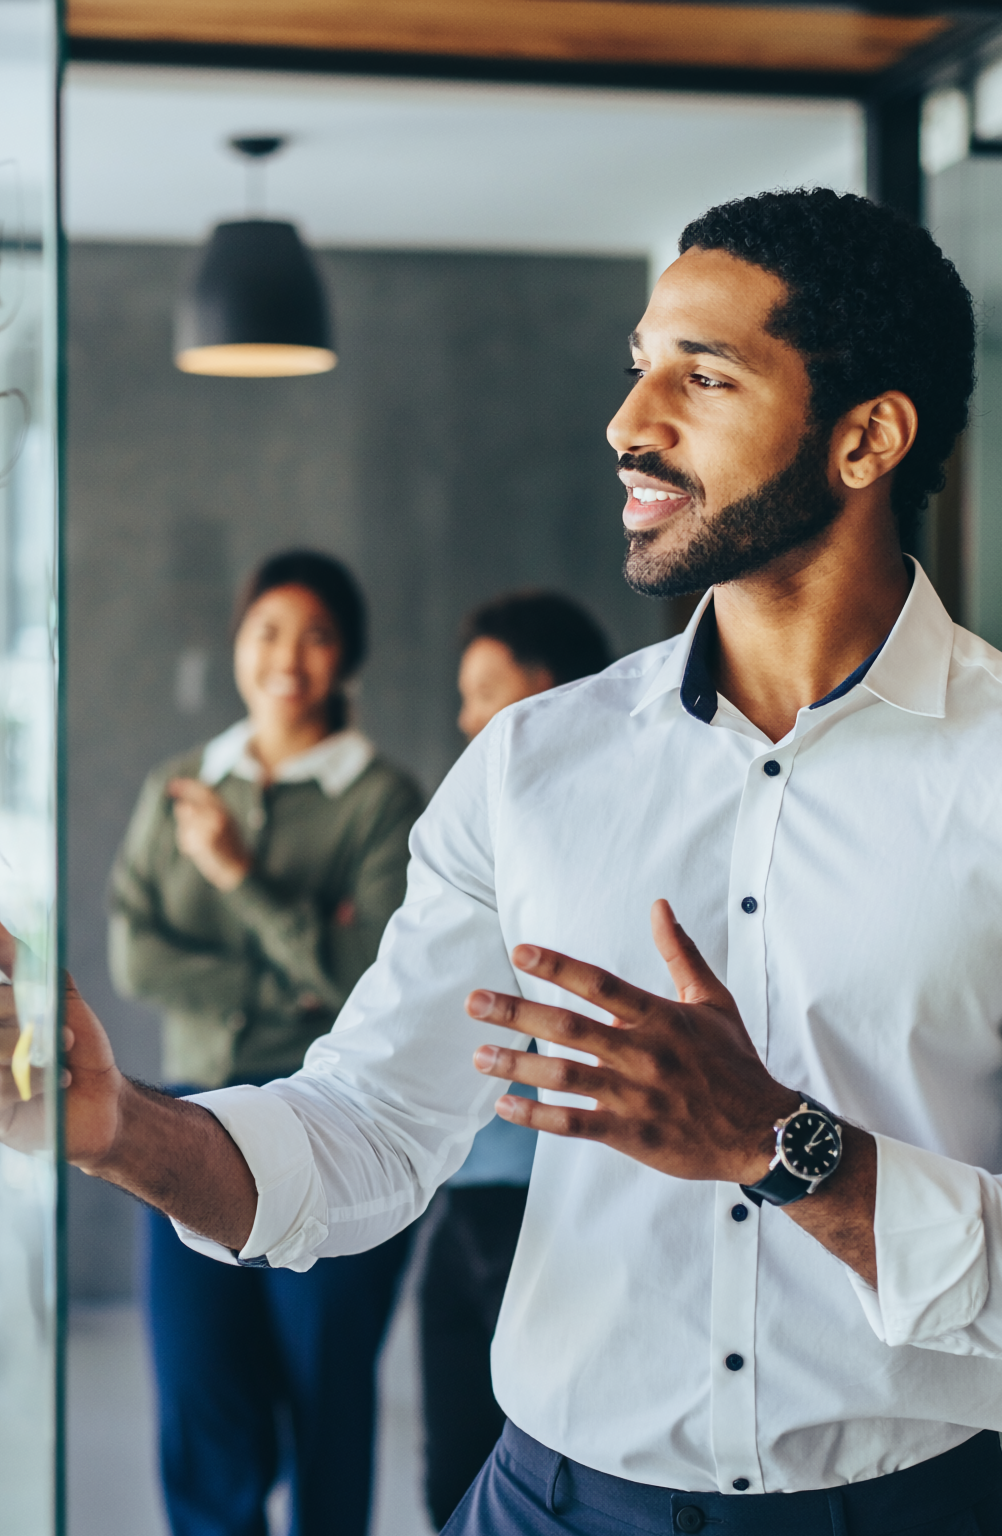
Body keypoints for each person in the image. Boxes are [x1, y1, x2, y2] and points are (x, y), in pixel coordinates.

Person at [0, 189, 1002, 1536]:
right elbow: (371, 1128)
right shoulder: (531, 767)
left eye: (704, 374)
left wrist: (785, 1151)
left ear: (866, 438)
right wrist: (124, 1132)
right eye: (638, 365)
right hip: (545, 1503)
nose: (630, 422)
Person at [108, 549, 427, 1536]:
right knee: (202, 1404)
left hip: (333, 1122)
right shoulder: (180, 785)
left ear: (349, 659)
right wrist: (293, 966)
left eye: (317, 635)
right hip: (190, 1112)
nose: (289, 657)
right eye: (268, 632)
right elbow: (137, 957)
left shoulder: (381, 800)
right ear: (239, 647)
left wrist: (240, 876)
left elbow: (365, 978)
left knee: (326, 1400)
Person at [424, 590, 613, 1527]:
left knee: (547, 1467)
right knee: (450, 1471)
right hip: (468, 1186)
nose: (468, 720)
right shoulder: (481, 826)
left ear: (549, 693)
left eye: (485, 692)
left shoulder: (613, 830)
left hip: (552, 1193)